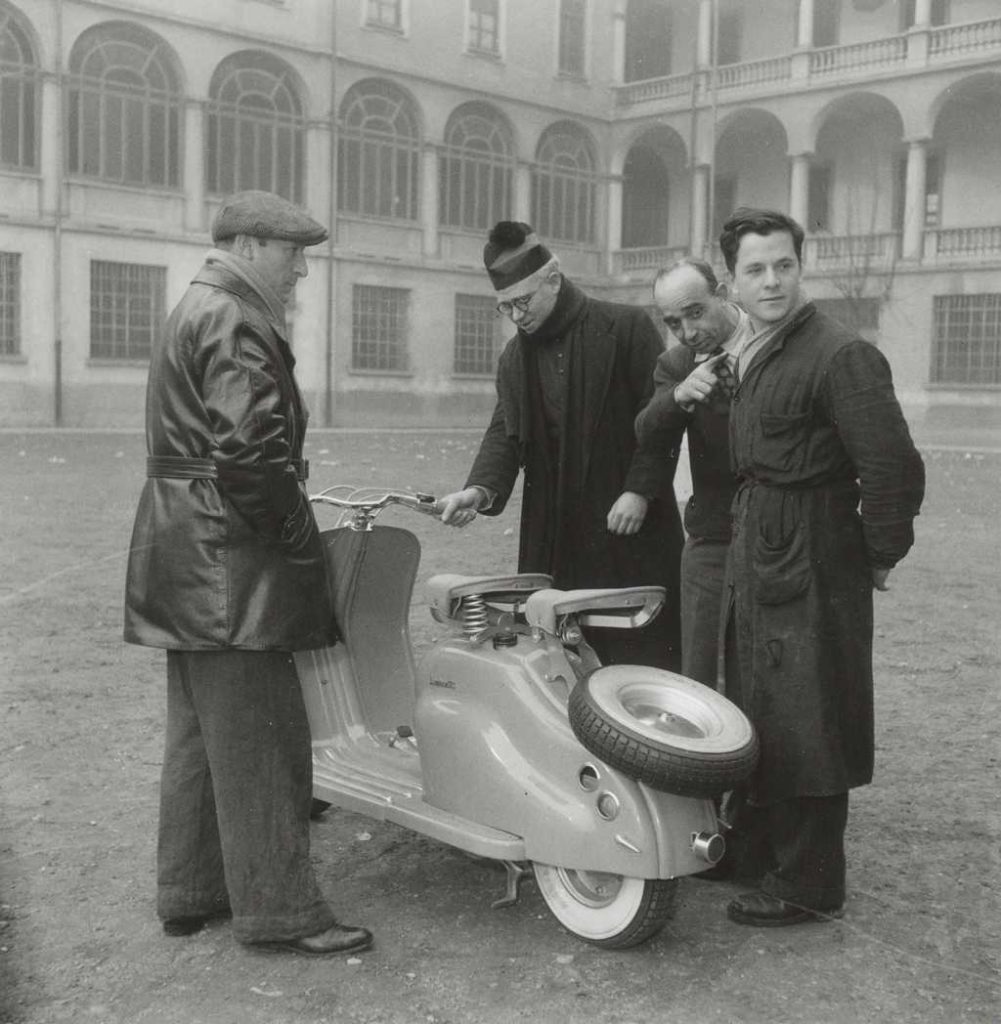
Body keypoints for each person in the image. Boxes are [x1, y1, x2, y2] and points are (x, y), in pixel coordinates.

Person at [123, 190, 372, 956]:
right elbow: (252, 455)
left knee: (200, 734)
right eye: (292, 252)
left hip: (184, 550)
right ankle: (281, 913)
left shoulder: (197, 304)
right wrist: (297, 530)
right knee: (262, 735)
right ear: (249, 245)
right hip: (231, 561)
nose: (300, 269)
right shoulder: (235, 316)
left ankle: (192, 893)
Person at [717, 208, 925, 926]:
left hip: (813, 553)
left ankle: (808, 882)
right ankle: (754, 851)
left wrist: (875, 555)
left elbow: (892, 465)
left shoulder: (839, 354)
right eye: (755, 269)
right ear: (731, 282)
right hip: (761, 547)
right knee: (754, 699)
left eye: (783, 265)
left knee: (807, 710)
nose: (771, 280)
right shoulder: (753, 349)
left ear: (800, 268)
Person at [439, 221, 683, 670]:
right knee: (561, 654)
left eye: (522, 302)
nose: (516, 317)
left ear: (554, 279)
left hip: (628, 526)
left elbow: (663, 418)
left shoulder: (625, 328)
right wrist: (478, 491)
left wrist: (640, 491)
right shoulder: (515, 357)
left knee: (639, 655)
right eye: (505, 308)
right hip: (554, 533)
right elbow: (504, 433)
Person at [635, 258, 753, 687]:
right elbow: (646, 430)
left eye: (695, 312)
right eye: (673, 321)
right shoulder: (679, 363)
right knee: (699, 670)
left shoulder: (772, 340)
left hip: (778, 537)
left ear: (722, 294)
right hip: (713, 534)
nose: (687, 331)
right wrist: (680, 396)